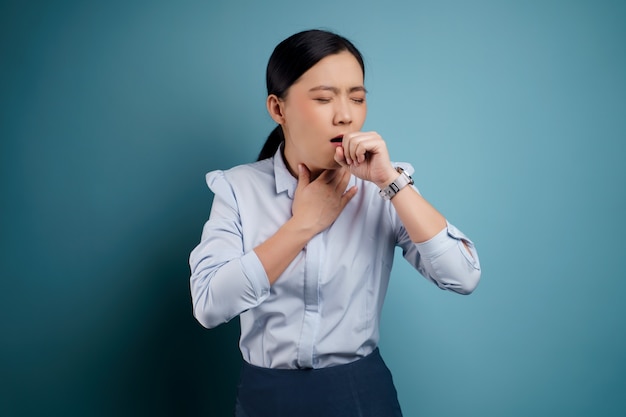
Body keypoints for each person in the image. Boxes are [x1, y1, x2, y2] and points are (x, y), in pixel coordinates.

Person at [189, 29, 481, 417]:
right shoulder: (239, 189)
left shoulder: (385, 187)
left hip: (361, 393)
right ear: (278, 109)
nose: (345, 114)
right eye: (324, 98)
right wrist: (303, 226)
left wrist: (390, 182)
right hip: (266, 397)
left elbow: (463, 276)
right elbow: (209, 305)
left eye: (357, 98)